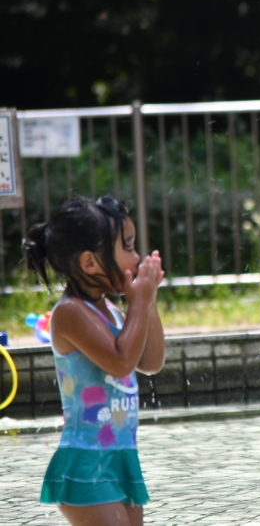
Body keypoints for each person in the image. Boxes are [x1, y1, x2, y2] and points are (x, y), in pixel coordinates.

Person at [22, 195, 166, 526]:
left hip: (119, 457)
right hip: (86, 461)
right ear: (90, 263)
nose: (136, 257)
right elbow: (120, 362)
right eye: (127, 247)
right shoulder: (71, 313)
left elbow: (151, 361)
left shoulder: (112, 311)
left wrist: (148, 302)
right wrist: (139, 302)